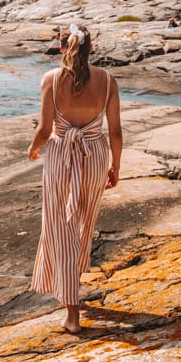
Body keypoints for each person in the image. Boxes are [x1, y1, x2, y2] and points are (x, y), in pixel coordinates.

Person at [28, 23, 122, 334]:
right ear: (90, 48)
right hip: (95, 155)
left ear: (61, 48)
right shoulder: (108, 81)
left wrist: (32, 148)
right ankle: (71, 279)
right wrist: (115, 166)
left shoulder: (51, 80)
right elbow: (116, 132)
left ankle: (72, 312)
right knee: (81, 223)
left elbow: (44, 130)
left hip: (61, 157)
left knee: (62, 227)